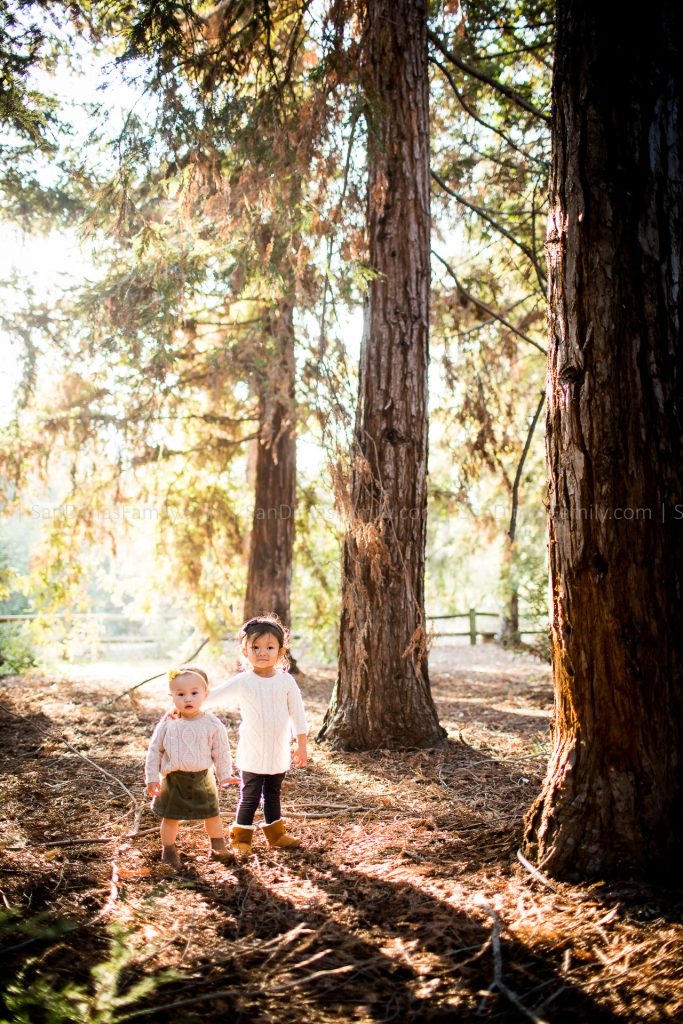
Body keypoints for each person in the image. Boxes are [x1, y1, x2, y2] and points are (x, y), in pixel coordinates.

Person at [203, 615, 308, 856]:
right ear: (245, 650)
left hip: (278, 750)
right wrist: (187, 700)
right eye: (256, 647)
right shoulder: (244, 681)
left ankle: (276, 834)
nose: (263, 652)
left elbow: (298, 715)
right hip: (252, 751)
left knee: (272, 793)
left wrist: (301, 745)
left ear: (281, 651)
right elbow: (212, 697)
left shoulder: (286, 682)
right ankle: (242, 837)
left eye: (270, 647)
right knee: (249, 795)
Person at [145, 666, 239, 871]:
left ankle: (218, 845)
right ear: (172, 697)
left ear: (205, 695)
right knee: (170, 818)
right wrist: (152, 778)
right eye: (181, 694)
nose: (188, 698)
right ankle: (168, 850)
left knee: (212, 815)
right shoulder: (168, 724)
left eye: (194, 693)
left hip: (203, 778)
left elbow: (221, 752)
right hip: (174, 780)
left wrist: (224, 775)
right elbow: (154, 751)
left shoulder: (213, 724)